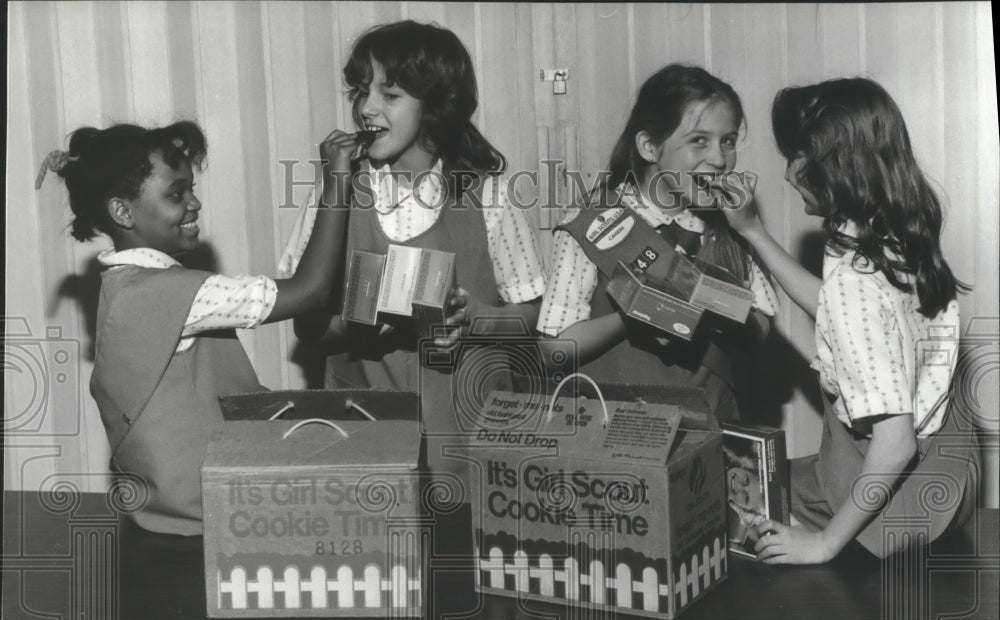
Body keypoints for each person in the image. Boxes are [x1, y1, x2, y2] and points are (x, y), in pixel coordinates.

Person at [36, 120, 354, 535]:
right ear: (122, 211)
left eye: (192, 189)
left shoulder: (121, 288)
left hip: (161, 514)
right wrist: (338, 177)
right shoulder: (177, 294)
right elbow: (312, 290)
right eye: (175, 194)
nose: (194, 204)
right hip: (210, 517)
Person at [718, 77, 978, 562]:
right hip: (949, 473)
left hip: (899, 497)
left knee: (733, 504)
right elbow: (845, 318)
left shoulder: (853, 284)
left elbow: (895, 444)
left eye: (794, 154)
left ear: (825, 163)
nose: (789, 172)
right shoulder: (889, 230)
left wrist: (822, 544)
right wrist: (752, 232)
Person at [281, 20, 546, 413]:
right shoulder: (335, 192)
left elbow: (530, 316)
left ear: (436, 106)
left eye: (389, 94)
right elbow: (305, 324)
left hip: (471, 429)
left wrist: (476, 320)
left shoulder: (492, 195)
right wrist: (352, 326)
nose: (366, 109)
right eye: (361, 92)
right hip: (367, 434)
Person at [536, 64, 779, 422]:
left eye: (727, 141)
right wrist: (636, 315)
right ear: (650, 146)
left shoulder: (730, 223)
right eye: (699, 140)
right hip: (621, 433)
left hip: (712, 431)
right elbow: (554, 349)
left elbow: (763, 328)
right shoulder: (594, 221)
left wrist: (712, 303)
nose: (719, 158)